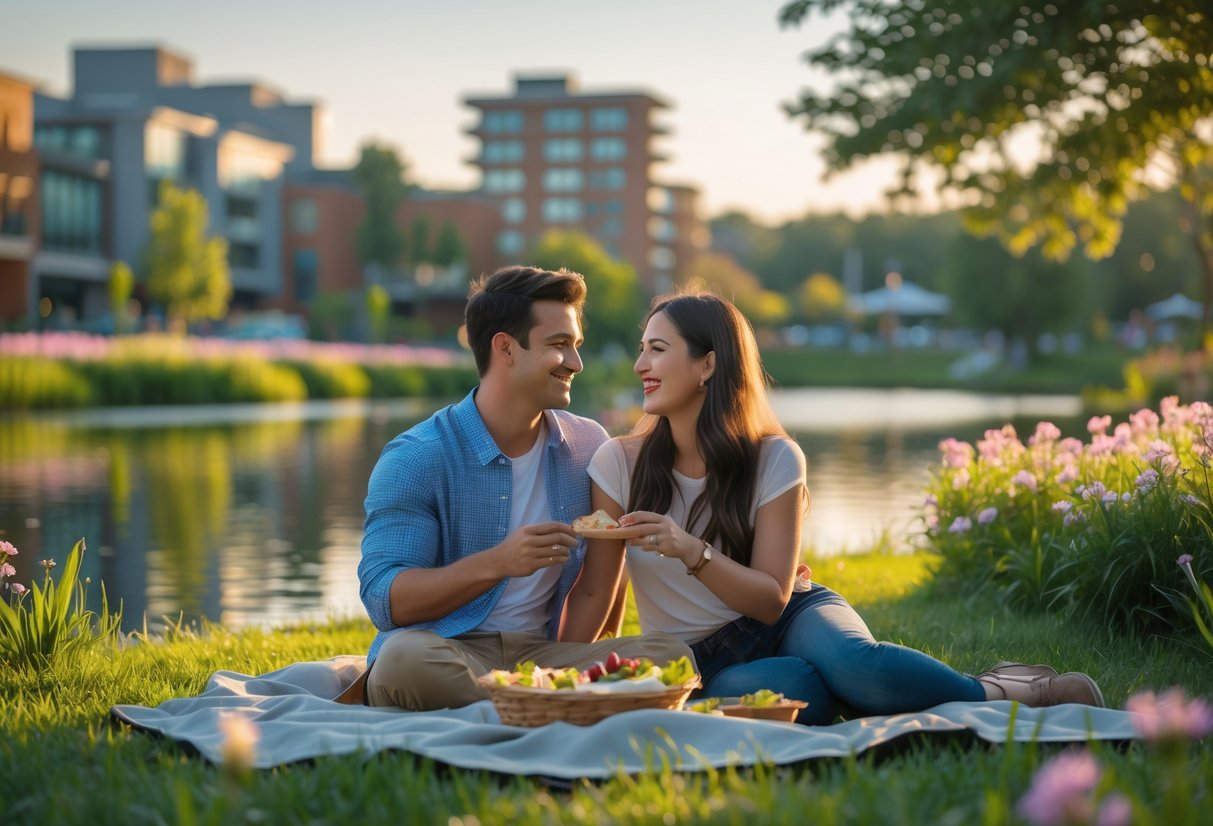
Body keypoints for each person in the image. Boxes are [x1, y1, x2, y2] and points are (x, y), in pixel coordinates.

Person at [561, 291, 1104, 725]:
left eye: (657, 349)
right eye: (642, 348)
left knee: (855, 664)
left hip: (790, 614)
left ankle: (1005, 689)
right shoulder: (619, 463)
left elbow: (773, 600)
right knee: (804, 694)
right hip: (703, 659)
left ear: (707, 365)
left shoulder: (774, 457)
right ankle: (863, 690)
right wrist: (555, 675)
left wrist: (688, 548)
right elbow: (594, 589)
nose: (639, 364)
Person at [336, 266, 693, 709]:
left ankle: (531, 704)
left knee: (671, 656)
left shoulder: (587, 446)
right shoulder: (417, 457)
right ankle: (564, 708)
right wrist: (498, 562)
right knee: (401, 661)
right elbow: (384, 600)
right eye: (559, 345)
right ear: (505, 348)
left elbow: (602, 582)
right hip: (450, 652)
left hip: (543, 659)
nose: (576, 364)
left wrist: (568, 667)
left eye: (576, 346)